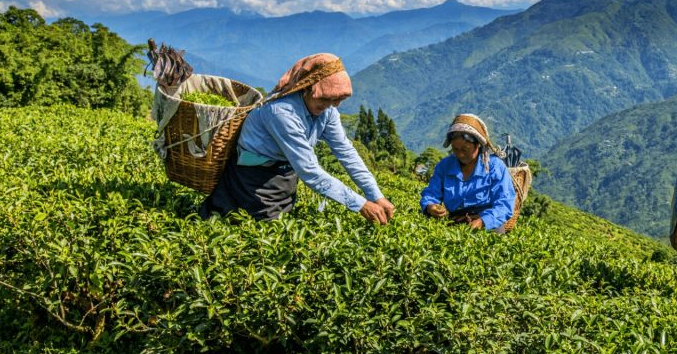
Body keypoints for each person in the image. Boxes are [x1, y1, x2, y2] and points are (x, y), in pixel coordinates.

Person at [200, 53, 395, 224]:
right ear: (307, 88)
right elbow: (310, 172)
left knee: (279, 224)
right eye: (324, 98)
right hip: (253, 178)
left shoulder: (327, 112)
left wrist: (375, 195)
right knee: (251, 228)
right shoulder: (281, 113)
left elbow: (346, 152)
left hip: (284, 176)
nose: (330, 105)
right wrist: (360, 204)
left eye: (336, 100)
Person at [420, 114, 516, 232]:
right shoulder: (444, 166)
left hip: (489, 223)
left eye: (465, 149)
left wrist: (482, 221)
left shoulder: (495, 167)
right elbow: (431, 193)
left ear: (478, 145)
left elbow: (504, 204)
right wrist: (430, 206)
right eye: (455, 149)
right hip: (455, 220)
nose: (460, 154)